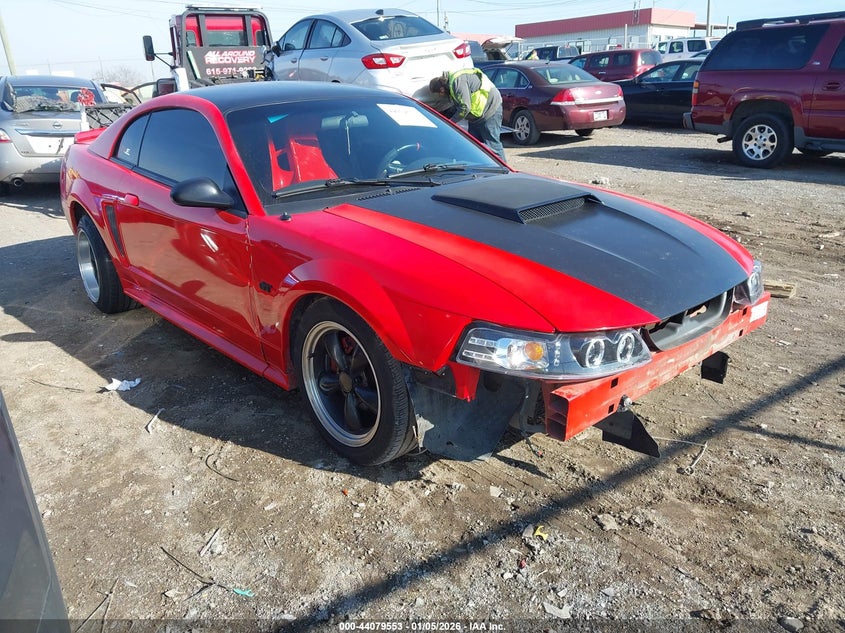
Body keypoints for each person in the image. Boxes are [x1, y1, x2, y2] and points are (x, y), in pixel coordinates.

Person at [429, 69, 506, 162]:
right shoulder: (452, 85)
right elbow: (457, 105)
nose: (440, 96)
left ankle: (505, 171)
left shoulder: (457, 82)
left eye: (439, 94)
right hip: (477, 116)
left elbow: (465, 107)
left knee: (492, 145)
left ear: (441, 89)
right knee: (474, 146)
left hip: (490, 109)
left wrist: (450, 123)